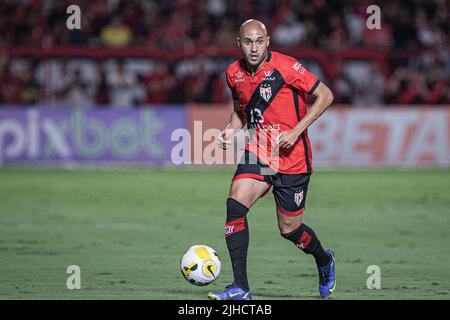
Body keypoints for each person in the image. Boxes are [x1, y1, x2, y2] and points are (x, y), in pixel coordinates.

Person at [208, 19, 335, 300]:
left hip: (293, 158)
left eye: (259, 41)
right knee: (235, 204)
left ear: (268, 41)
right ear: (238, 43)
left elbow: (326, 95)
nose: (254, 48)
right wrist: (229, 132)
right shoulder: (233, 74)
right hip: (260, 152)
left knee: (289, 230)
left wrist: (297, 130)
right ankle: (240, 287)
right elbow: (241, 112)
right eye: (247, 42)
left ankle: (324, 259)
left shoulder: (287, 66)